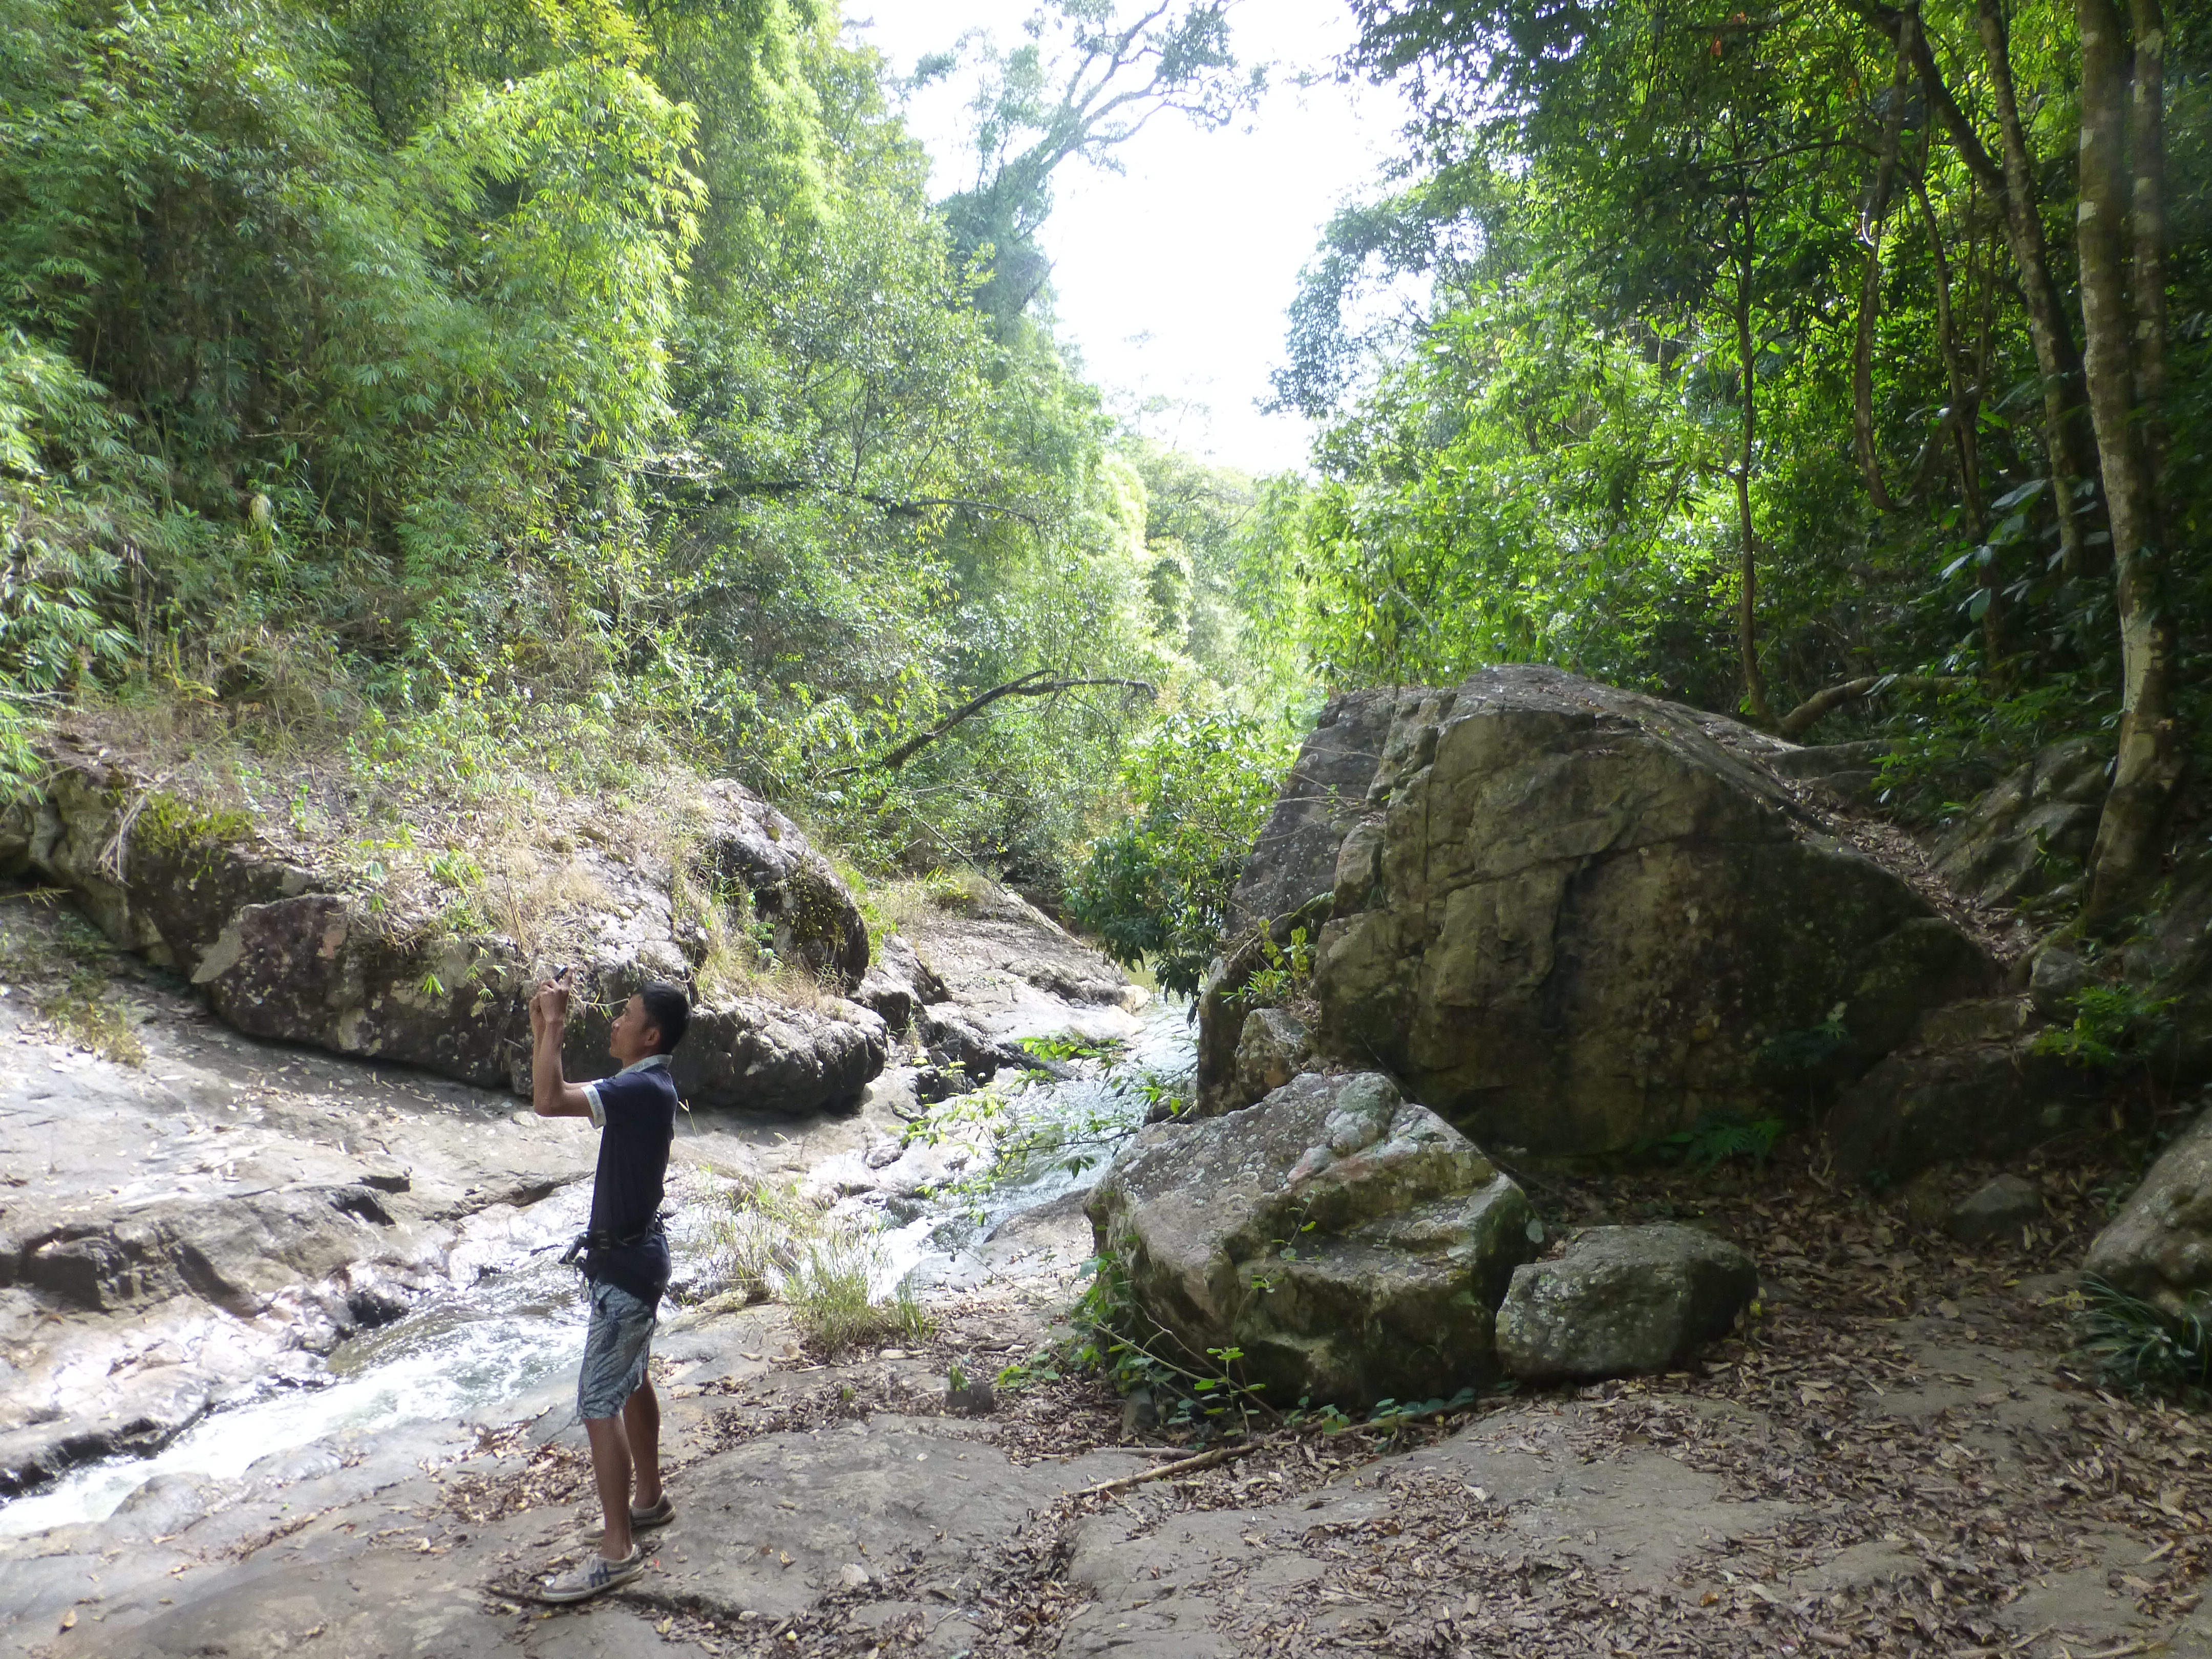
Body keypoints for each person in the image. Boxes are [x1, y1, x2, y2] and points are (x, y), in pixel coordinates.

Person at [526, 972, 689, 1604]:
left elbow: (548, 1100)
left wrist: (555, 1026)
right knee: (633, 1378)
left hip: (627, 1269)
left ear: (651, 1036)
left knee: (599, 1402)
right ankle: (648, 1498)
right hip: (636, 1259)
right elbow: (551, 1092)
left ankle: (618, 1551)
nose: (615, 1023)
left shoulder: (641, 1087)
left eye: (627, 1016)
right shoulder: (647, 1085)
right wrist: (543, 1029)